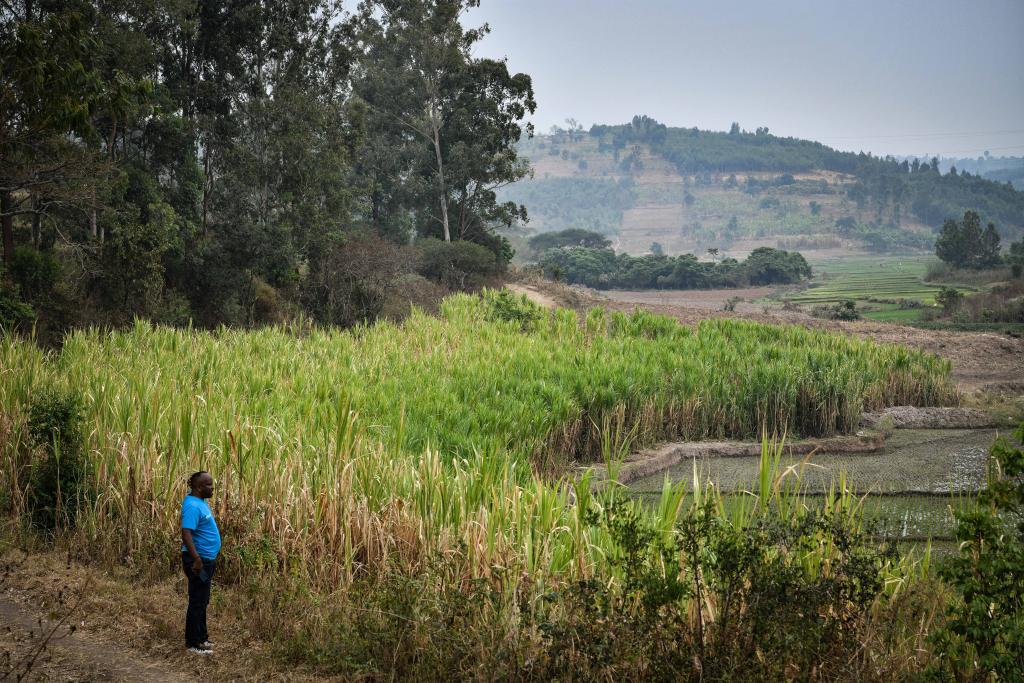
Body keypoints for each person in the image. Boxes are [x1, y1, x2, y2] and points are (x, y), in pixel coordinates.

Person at [180, 471, 221, 655]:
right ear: (198, 487)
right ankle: (193, 643)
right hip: (198, 560)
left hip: (204, 559)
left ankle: (202, 637)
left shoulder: (199, 503)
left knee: (203, 599)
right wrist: (196, 559)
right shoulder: (192, 506)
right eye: (208, 485)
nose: (212, 488)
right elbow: (186, 533)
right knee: (197, 600)